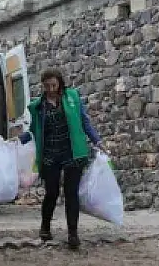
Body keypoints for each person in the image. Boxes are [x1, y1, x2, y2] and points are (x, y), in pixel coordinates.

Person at [18, 69, 104, 250]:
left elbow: (84, 121)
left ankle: (73, 233)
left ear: (60, 83)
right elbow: (34, 130)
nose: (50, 89)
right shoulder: (37, 106)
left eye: (54, 85)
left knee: (71, 193)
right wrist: (18, 140)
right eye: (47, 86)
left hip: (73, 152)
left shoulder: (72, 97)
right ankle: (45, 227)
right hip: (50, 154)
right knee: (52, 192)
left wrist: (97, 140)